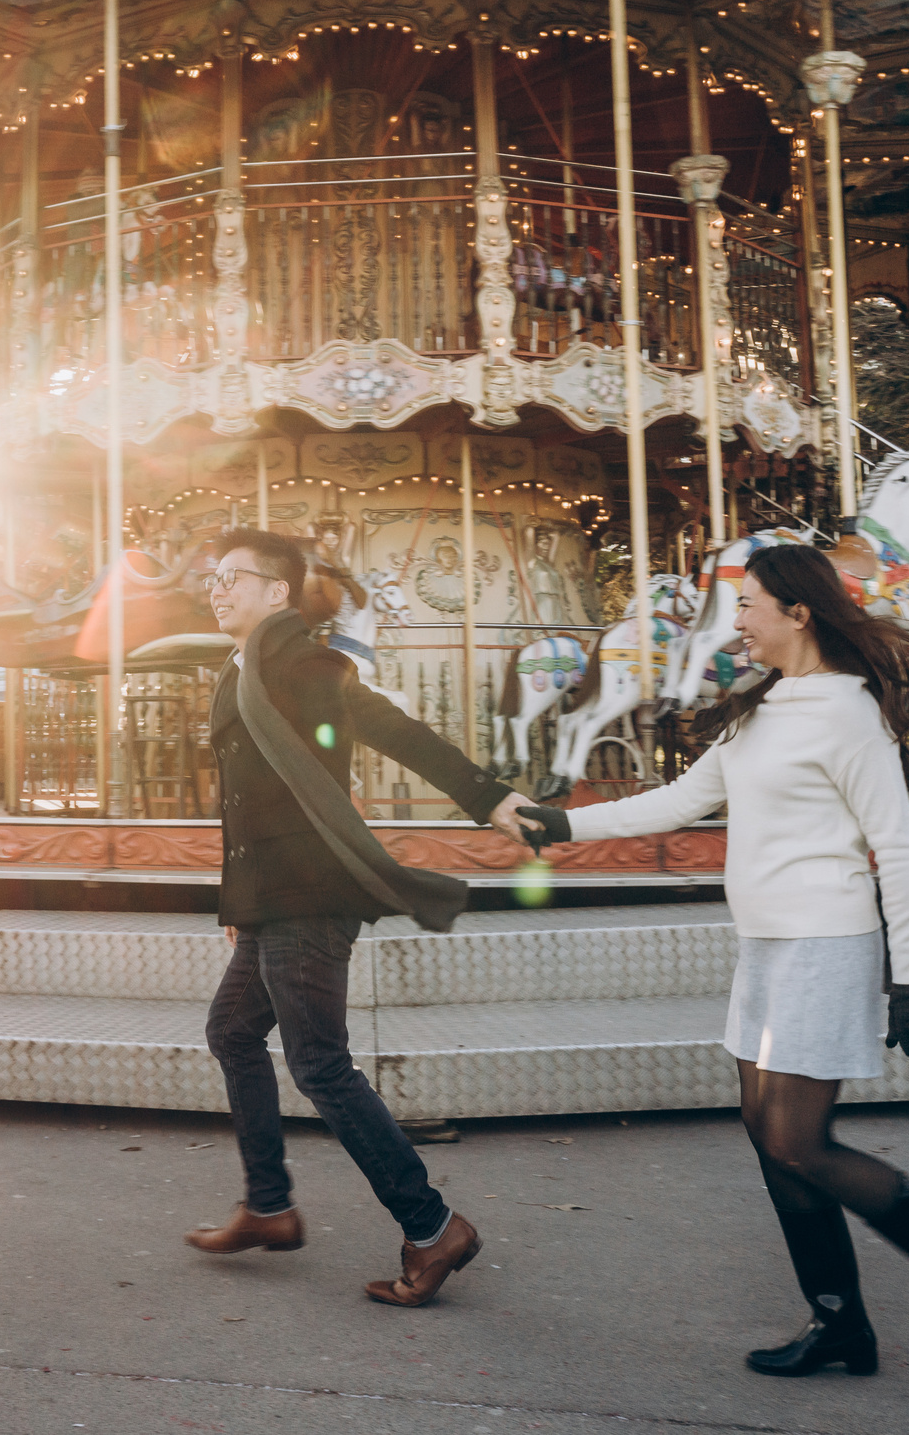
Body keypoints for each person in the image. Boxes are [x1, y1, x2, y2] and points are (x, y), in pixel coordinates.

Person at [501, 544, 909, 1389]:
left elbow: (898, 852)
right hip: (766, 944)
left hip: (825, 942)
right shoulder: (764, 706)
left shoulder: (846, 715)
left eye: (752, 605)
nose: (740, 621)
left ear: (800, 613)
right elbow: (683, 800)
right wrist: (561, 825)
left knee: (799, 1142)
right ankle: (839, 1325)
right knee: (772, 1140)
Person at [186, 527, 532, 1308]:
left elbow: (390, 728)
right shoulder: (239, 669)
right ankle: (269, 1208)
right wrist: (235, 904)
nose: (216, 588)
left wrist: (490, 799)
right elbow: (245, 805)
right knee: (233, 1032)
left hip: (309, 896)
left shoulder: (303, 663)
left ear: (277, 593)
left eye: (233, 577)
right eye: (213, 578)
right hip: (271, 899)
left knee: (321, 1068)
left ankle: (432, 1225)